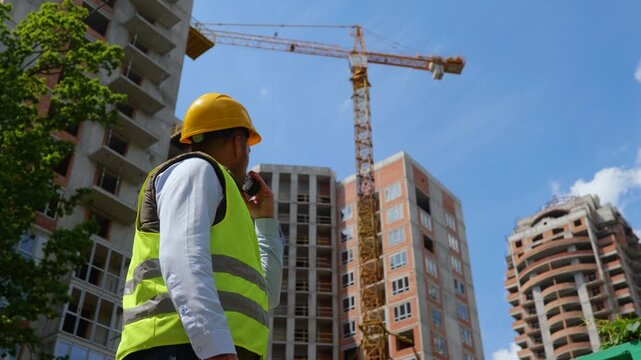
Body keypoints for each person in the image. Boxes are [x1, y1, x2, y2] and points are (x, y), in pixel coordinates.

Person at [116, 93, 284, 360]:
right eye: (249, 149)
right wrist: (216, 348)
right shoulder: (196, 170)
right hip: (179, 348)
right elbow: (183, 259)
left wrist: (265, 220)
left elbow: (268, 296)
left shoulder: (230, 204)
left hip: (208, 350)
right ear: (238, 143)